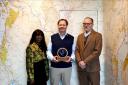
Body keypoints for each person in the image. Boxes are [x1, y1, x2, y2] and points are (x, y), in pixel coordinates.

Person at [47, 19, 75, 85]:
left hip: (67, 67)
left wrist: (71, 58)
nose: (62, 26)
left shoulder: (72, 38)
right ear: (58, 26)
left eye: (64, 25)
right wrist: (52, 58)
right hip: (55, 67)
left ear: (66, 26)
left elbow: (74, 51)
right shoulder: (52, 37)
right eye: (60, 25)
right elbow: (48, 51)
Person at [75, 17, 102, 85]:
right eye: (84, 23)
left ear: (92, 24)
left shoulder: (98, 36)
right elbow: (76, 50)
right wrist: (80, 61)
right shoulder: (79, 36)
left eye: (88, 23)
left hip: (93, 68)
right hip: (81, 68)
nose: (86, 25)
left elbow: (97, 52)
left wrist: (84, 62)